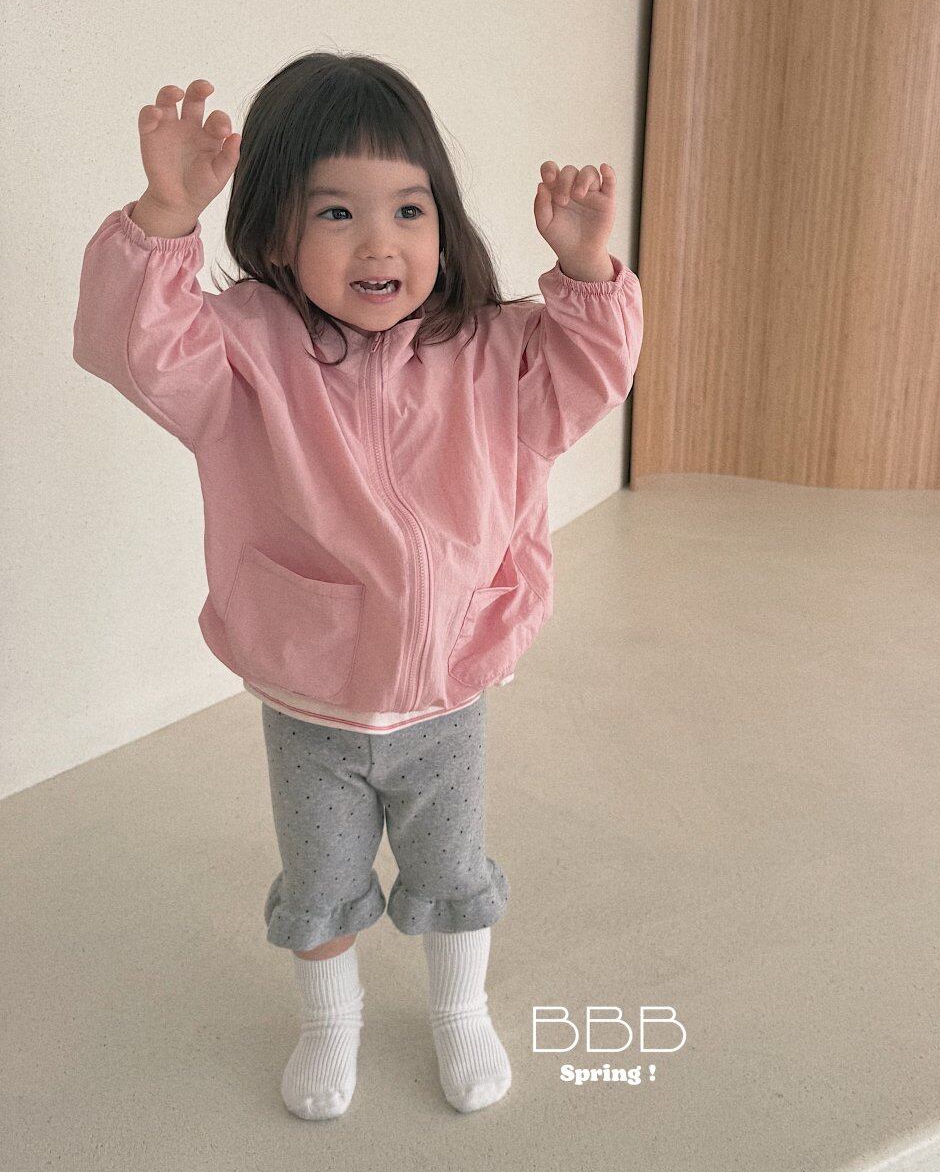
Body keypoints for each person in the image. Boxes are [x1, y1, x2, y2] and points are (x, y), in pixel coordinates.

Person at [72, 54, 644, 1121]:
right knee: (321, 883)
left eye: (408, 210)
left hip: (448, 691)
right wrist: (164, 217)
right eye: (337, 211)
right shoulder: (243, 352)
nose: (380, 243)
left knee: (452, 871)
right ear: (277, 234)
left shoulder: (493, 348)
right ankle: (329, 1024)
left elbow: (591, 375)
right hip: (314, 698)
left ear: (444, 224)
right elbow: (132, 349)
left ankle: (459, 1010)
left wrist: (586, 268)